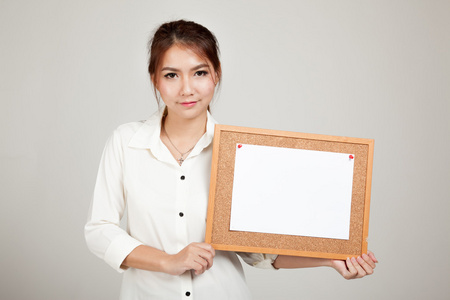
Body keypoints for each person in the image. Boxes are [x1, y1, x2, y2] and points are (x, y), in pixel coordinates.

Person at [85, 19, 377, 299]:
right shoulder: (127, 142)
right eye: (171, 75)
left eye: (199, 73)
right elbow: (99, 230)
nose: (187, 88)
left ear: (216, 74)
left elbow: (257, 252)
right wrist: (168, 261)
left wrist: (331, 259)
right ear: (155, 80)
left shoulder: (238, 154)